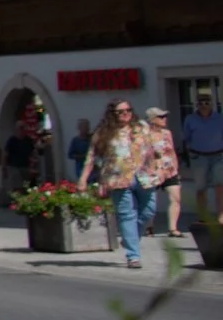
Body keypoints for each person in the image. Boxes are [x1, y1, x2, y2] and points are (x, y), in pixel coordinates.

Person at [79, 98, 157, 268]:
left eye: (128, 110)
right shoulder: (103, 133)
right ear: (112, 114)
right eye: (121, 112)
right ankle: (133, 256)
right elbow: (92, 157)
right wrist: (84, 179)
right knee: (127, 215)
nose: (125, 114)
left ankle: (131, 238)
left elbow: (154, 148)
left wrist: (162, 169)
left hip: (144, 176)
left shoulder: (141, 127)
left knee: (149, 211)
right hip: (117, 179)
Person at [183, 89, 223, 223]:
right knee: (201, 188)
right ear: (197, 104)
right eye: (201, 102)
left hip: (219, 156)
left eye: (207, 102)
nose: (204, 105)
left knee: (220, 186)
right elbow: (187, 138)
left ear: (212, 104)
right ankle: (203, 216)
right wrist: (190, 153)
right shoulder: (190, 119)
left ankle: (221, 215)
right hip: (199, 157)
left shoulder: (220, 118)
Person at [146, 105, 182, 239]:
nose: (164, 119)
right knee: (150, 201)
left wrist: (176, 167)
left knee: (176, 198)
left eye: (165, 116)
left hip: (169, 170)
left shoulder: (167, 133)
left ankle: (173, 228)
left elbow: (171, 150)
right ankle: (149, 226)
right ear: (152, 119)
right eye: (161, 117)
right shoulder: (145, 135)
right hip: (152, 171)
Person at [66, 117, 93, 182]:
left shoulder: (92, 139)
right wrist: (81, 156)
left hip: (92, 167)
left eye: (87, 127)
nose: (86, 129)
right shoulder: (75, 141)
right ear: (79, 128)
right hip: (81, 166)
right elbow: (70, 155)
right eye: (84, 127)